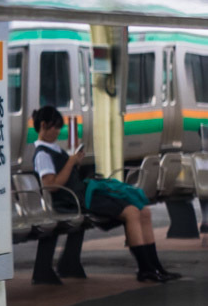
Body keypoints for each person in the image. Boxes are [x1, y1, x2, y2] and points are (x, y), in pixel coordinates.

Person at [31, 105, 180, 283]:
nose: (57, 131)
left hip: (82, 194)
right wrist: (71, 163)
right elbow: (51, 185)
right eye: (55, 127)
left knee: (143, 211)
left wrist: (74, 162)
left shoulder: (55, 149)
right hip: (73, 200)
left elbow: (66, 176)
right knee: (132, 212)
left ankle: (156, 266)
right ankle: (145, 268)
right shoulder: (42, 155)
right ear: (43, 125)